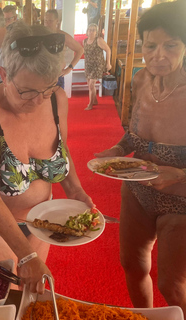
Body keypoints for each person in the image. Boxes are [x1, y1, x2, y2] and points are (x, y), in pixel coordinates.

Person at [0, 22, 93, 293]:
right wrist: (27, 256)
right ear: (4, 75)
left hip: (40, 220)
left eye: (47, 88)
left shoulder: (56, 100)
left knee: (32, 295)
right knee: (6, 297)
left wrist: (76, 191)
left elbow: (61, 152)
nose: (37, 101)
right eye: (27, 91)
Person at [94, 1, 186, 313]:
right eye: (151, 45)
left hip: (181, 199)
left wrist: (180, 175)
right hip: (137, 188)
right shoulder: (140, 80)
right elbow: (135, 133)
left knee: (171, 285)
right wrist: (118, 150)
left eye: (170, 45)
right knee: (132, 268)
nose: (159, 54)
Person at [44, 9, 84, 89]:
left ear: (57, 21)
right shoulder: (41, 35)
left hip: (58, 75)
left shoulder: (63, 36)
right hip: (43, 76)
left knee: (58, 101)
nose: (47, 24)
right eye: (45, 20)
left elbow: (80, 50)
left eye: (50, 21)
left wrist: (69, 68)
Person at [83, 23, 111, 110]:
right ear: (87, 31)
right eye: (89, 30)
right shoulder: (84, 41)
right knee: (89, 84)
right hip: (88, 65)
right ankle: (94, 100)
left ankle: (90, 104)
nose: (91, 31)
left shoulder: (99, 40)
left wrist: (108, 63)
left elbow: (108, 50)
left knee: (91, 84)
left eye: (93, 30)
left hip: (97, 65)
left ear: (96, 32)